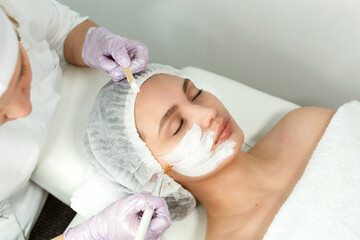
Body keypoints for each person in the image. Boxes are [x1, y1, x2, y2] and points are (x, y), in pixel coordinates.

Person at [82, 64, 360, 239]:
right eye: (178, 126)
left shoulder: (304, 125)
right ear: (158, 178)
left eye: (196, 93)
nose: (207, 113)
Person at [0, 1, 170, 239]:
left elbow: (62, 29)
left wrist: (95, 42)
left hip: (51, 188)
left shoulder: (13, 6)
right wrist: (87, 236)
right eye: (1, 113)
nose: (25, 109)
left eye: (21, 72)